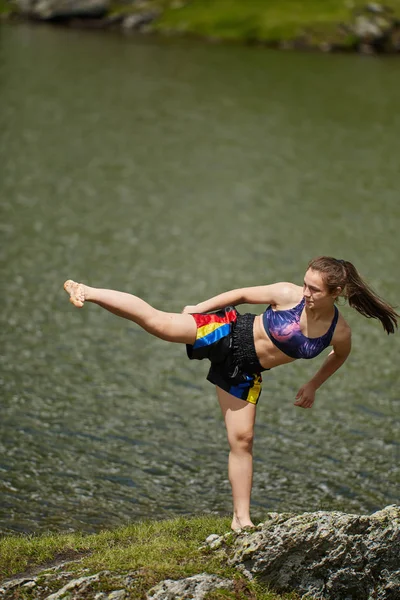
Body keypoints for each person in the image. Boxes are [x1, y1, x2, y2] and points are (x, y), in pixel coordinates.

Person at [63, 256, 398, 531]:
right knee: (159, 324)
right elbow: (239, 294)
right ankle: (86, 290)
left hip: (245, 371)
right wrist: (199, 308)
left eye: (314, 288)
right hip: (227, 332)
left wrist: (313, 384)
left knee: (244, 440)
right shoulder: (287, 294)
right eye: (306, 283)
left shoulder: (338, 331)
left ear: (336, 291)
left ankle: (241, 520)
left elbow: (340, 355)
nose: (306, 291)